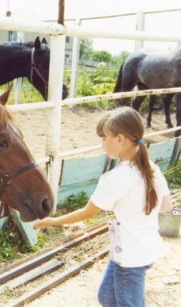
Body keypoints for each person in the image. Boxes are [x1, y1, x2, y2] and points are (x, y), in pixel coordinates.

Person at [33, 107, 174, 307]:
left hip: (130, 256)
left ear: (120, 139)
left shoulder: (116, 178)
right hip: (145, 247)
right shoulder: (151, 167)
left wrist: (54, 220)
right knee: (107, 297)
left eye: (104, 138)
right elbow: (167, 206)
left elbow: (87, 212)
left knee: (128, 303)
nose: (102, 145)